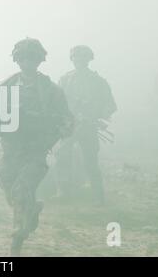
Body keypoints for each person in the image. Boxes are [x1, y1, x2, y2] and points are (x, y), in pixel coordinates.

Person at [0, 37, 73, 256]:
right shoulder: (6, 85)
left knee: (22, 189)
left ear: (39, 61)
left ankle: (18, 237)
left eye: (31, 58)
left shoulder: (50, 90)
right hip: (11, 148)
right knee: (3, 178)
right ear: (17, 60)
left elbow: (67, 120)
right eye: (22, 58)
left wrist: (56, 132)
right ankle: (30, 212)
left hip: (35, 150)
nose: (27, 63)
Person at [55, 45, 117, 205]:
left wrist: (94, 115)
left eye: (83, 57)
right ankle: (64, 192)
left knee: (90, 161)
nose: (79, 60)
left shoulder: (98, 82)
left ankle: (98, 196)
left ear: (89, 59)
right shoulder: (65, 79)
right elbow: (56, 102)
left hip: (89, 127)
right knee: (62, 156)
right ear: (72, 59)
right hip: (70, 125)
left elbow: (110, 106)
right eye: (76, 57)